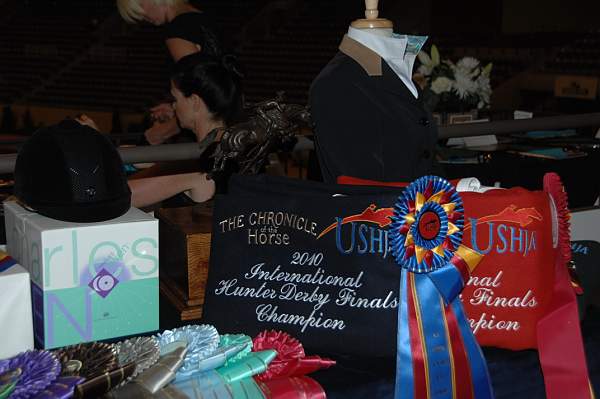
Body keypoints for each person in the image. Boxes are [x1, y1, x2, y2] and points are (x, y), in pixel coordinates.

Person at [128, 52, 244, 208]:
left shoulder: (196, 163)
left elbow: (123, 195)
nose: (174, 106)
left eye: (175, 99)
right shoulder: (235, 147)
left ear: (195, 102)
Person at [117, 0, 223, 145]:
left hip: (209, 134)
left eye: (139, 8)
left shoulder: (177, 30)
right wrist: (176, 107)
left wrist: (167, 129)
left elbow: (203, 91)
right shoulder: (206, 18)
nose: (141, 17)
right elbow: (216, 86)